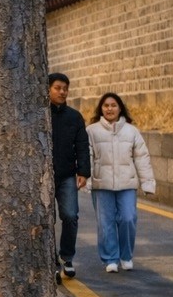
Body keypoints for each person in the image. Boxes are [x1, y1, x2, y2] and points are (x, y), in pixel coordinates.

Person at [86, 93, 156, 273]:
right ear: (101, 109)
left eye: (113, 105)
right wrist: (86, 180)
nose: (109, 109)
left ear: (120, 108)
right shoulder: (92, 131)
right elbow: (87, 157)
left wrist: (147, 183)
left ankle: (126, 256)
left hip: (127, 184)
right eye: (106, 105)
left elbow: (142, 158)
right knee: (105, 222)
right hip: (102, 185)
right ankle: (110, 258)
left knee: (128, 218)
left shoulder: (131, 131)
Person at [49, 73, 90, 281]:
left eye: (65, 88)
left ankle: (67, 257)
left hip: (66, 176)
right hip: (43, 176)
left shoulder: (74, 117)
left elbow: (82, 145)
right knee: (46, 220)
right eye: (58, 87)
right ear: (48, 89)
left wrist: (83, 171)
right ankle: (50, 261)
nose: (62, 92)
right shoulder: (39, 115)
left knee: (70, 216)